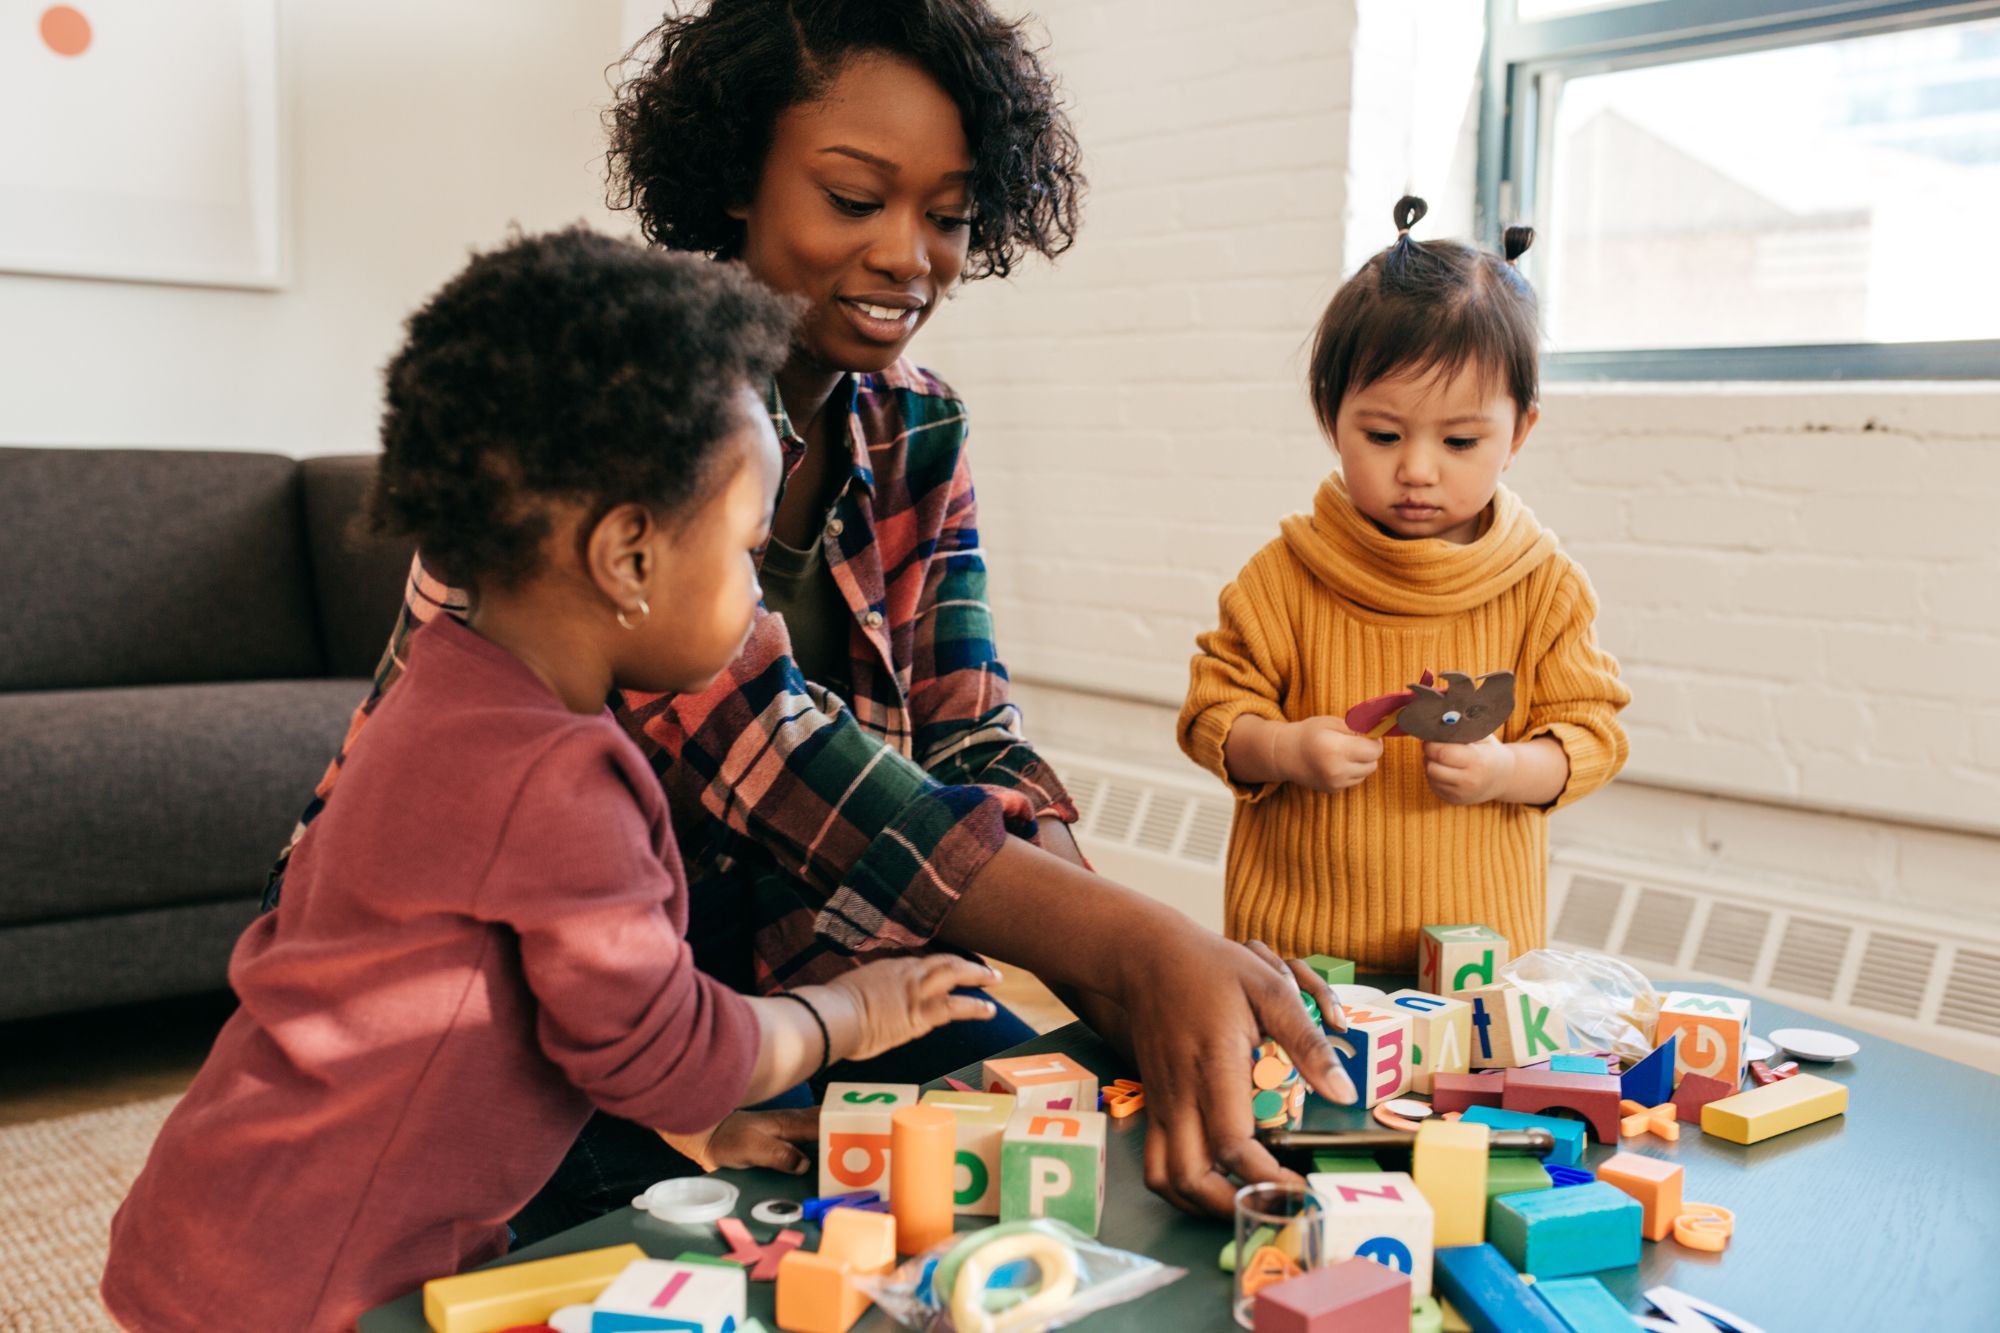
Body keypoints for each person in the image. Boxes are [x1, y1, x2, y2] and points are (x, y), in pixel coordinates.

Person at [269, 0, 1352, 1228]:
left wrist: (1118, 960)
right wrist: (1117, 941)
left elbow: (969, 732)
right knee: (658, 1249)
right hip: (500, 979)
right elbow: (762, 741)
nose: (909, 255)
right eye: (853, 199)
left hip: (787, 943)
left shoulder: (915, 422)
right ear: (736, 177)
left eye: (945, 216)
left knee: (1020, 1145)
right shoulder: (606, 406)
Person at [101, 230, 1006, 1333]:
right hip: (322, 1285)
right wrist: (842, 1014)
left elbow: (540, 1005)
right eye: (743, 553)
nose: (753, 594)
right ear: (628, 558)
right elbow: (669, 1049)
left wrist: (704, 1128)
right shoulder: (563, 780)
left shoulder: (439, 696)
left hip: (223, 1219)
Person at [1179, 196, 1631, 971]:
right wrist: (1284, 748)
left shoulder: (1543, 585)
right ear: (1333, 418)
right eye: (1383, 435)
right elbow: (1211, 715)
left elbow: (1591, 736)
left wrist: (1505, 770)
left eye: (1460, 440)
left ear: (1518, 433)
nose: (1418, 469)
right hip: (1298, 959)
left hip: (1478, 967)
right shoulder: (1284, 575)